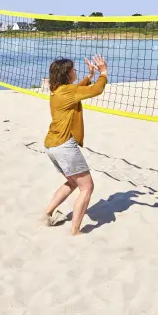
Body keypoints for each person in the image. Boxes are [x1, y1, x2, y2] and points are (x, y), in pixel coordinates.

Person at [43, 55, 108, 235]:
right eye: (73, 69)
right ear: (66, 74)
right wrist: (103, 72)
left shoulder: (57, 89)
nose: (75, 71)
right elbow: (97, 90)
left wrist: (89, 75)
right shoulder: (68, 92)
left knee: (72, 182)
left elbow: (77, 88)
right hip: (64, 146)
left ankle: (48, 213)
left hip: (50, 145)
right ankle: (75, 231)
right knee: (87, 187)